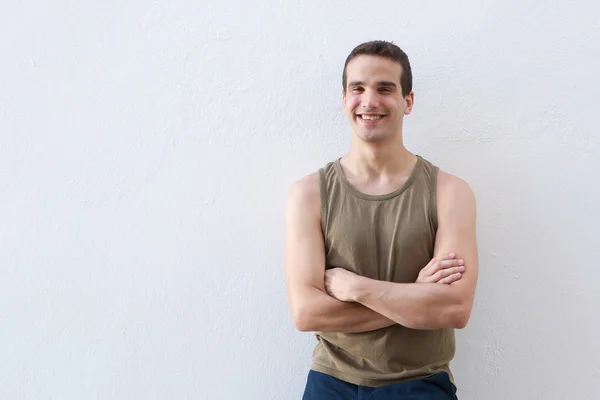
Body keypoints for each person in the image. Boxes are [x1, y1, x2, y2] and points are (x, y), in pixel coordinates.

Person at [284, 40, 479, 399]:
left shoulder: (450, 192)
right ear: (344, 99)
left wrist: (357, 288)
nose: (369, 101)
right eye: (357, 88)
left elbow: (453, 308)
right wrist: (417, 297)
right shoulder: (309, 194)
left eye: (385, 88)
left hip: (421, 383)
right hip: (331, 384)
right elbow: (307, 314)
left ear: (408, 101)